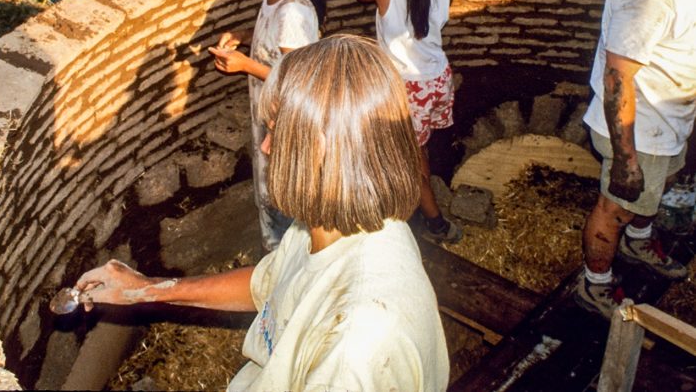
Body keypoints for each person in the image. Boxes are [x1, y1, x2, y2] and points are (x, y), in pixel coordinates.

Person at [76, 35, 450, 392]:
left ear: (325, 148)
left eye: (277, 131)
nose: (267, 147)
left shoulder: (354, 351)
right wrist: (146, 290)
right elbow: (271, 283)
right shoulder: (335, 222)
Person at [575, 0, 696, 318]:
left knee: (657, 188)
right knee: (615, 208)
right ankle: (595, 284)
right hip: (638, 130)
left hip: (668, 121)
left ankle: (638, 242)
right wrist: (626, 160)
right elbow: (617, 77)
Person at [355, 0, 479, 245]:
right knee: (418, 147)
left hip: (406, 90)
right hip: (436, 80)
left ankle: (435, 221)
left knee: (408, 157)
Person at [208, 0, 325, 252]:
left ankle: (283, 258)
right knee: (270, 189)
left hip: (286, 121)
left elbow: (297, 79)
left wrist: (245, 65)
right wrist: (245, 36)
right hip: (270, 113)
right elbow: (277, 44)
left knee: (280, 194)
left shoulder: (294, 13)